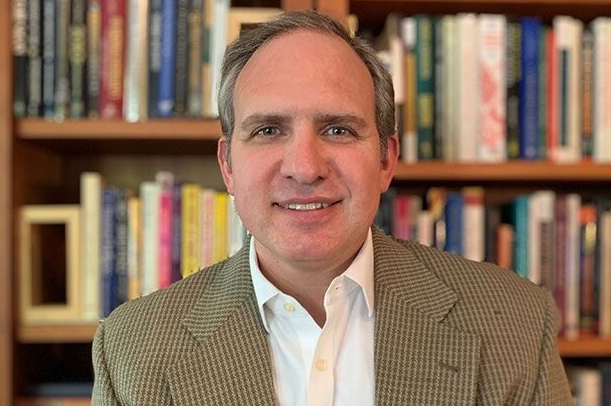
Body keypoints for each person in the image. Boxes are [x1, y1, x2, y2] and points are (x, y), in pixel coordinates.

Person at [92, 10, 574, 406]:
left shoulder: (514, 324)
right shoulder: (133, 350)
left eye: (338, 130)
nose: (304, 168)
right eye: (268, 130)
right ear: (228, 165)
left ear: (385, 159)